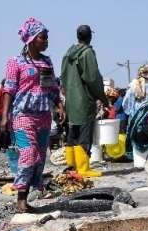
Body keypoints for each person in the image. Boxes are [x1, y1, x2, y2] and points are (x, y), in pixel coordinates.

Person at [1, 17, 63, 213]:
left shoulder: (46, 62)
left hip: (44, 116)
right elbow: (9, 90)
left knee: (39, 159)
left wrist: (59, 105)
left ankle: (27, 198)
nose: (46, 41)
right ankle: (20, 199)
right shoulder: (15, 62)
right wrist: (5, 116)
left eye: (47, 38)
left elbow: (51, 87)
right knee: (28, 155)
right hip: (22, 116)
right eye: (42, 38)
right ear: (31, 39)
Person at [61, 24, 109, 178]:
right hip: (84, 100)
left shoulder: (68, 53)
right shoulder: (87, 53)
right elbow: (93, 78)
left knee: (72, 134)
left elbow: (63, 77)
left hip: (71, 100)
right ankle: (83, 168)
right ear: (90, 36)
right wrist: (102, 97)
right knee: (84, 133)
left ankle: (72, 167)